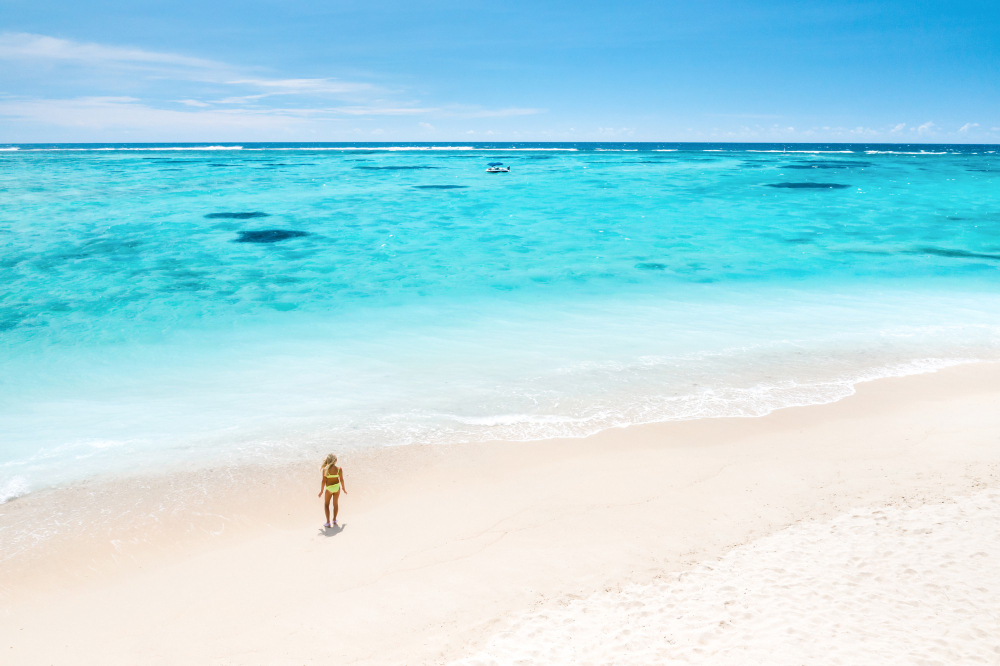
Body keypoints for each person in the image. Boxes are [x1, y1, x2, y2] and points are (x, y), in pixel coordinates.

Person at [318, 453, 347, 528]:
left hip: (329, 489)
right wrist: (343, 488)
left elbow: (323, 481)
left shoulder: (325, 470)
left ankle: (328, 522)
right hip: (337, 488)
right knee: (335, 504)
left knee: (326, 505)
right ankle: (334, 520)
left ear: (327, 461)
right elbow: (342, 480)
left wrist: (321, 491)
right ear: (335, 461)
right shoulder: (339, 469)